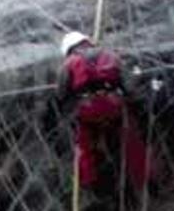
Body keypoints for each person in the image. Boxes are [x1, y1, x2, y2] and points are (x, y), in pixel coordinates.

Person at [57, 31, 153, 194]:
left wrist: (70, 109)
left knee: (84, 143)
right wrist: (137, 104)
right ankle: (145, 178)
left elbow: (62, 93)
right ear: (87, 41)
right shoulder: (111, 56)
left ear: (69, 49)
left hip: (87, 108)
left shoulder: (69, 63)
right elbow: (129, 86)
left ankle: (89, 180)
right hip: (114, 103)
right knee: (131, 141)